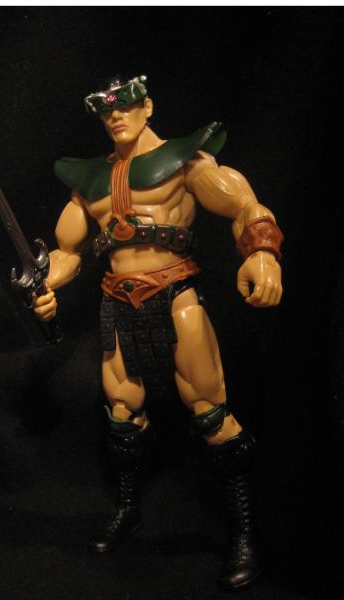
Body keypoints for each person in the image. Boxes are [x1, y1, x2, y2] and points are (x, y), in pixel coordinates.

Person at [33, 75, 283, 591]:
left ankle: (244, 533)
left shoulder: (185, 161)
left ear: (146, 106)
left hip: (174, 298)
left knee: (211, 412)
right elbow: (66, 252)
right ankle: (129, 511)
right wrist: (45, 285)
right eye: (106, 112)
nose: (115, 117)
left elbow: (245, 205)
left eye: (124, 106)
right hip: (117, 304)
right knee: (122, 415)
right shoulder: (91, 181)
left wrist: (262, 252)